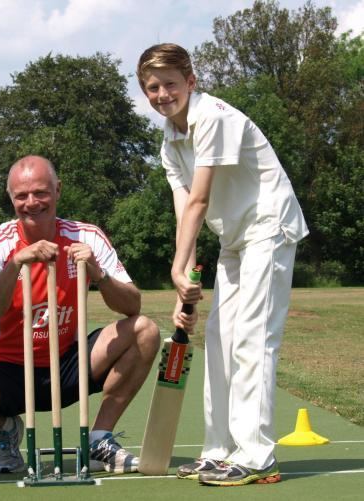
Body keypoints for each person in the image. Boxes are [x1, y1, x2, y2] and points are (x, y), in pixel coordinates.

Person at [136, 43, 309, 486]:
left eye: (170, 84)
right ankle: (219, 451)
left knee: (251, 339)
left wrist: (177, 269)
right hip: (234, 239)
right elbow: (182, 209)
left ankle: (257, 457)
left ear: (190, 83)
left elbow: (200, 197)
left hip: (268, 229)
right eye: (152, 87)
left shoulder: (212, 117)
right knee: (219, 339)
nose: (161, 94)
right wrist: (185, 276)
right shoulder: (170, 140)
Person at [0, 155, 159, 474]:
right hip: (7, 365)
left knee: (144, 330)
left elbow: (132, 305)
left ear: (58, 191)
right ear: (10, 198)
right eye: (21, 196)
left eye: (41, 192)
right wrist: (15, 264)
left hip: (68, 360)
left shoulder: (87, 235)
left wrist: (99, 274)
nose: (32, 203)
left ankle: (98, 440)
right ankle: (6, 429)